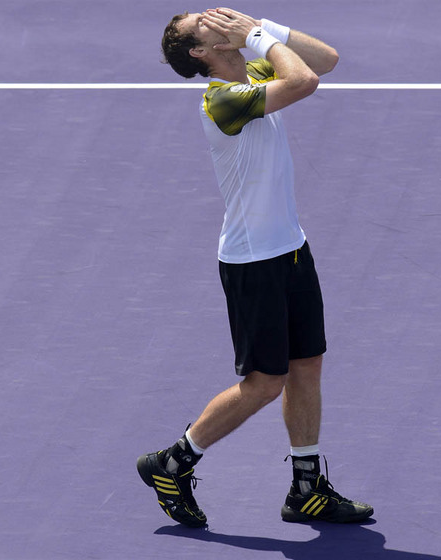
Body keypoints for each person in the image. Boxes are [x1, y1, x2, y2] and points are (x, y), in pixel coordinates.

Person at [136, 8, 373, 527]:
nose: (217, 17)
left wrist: (259, 26)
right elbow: (305, 81)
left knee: (306, 365)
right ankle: (171, 463)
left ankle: (306, 488)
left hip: (290, 248)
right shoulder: (223, 100)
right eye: (204, 22)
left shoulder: (257, 72)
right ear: (200, 52)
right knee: (265, 383)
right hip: (252, 263)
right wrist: (258, 36)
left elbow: (326, 60)